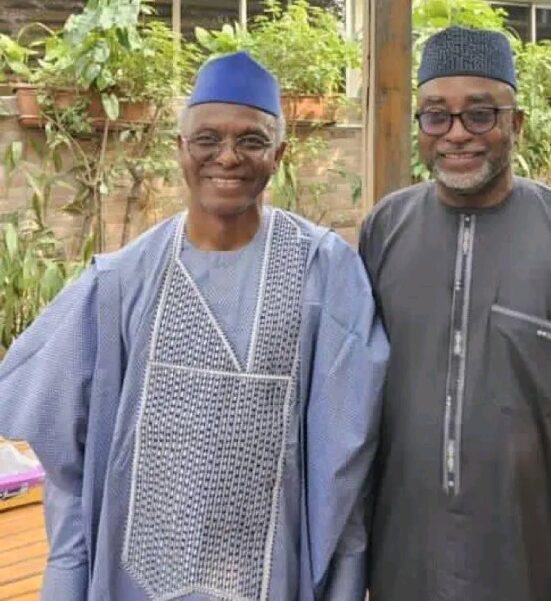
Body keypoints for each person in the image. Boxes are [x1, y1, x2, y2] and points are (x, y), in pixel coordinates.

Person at [0, 51, 388, 601]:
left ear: (278, 154)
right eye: (207, 139)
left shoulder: (323, 270)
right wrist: (68, 574)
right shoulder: (124, 279)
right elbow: (64, 445)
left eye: (251, 140)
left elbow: (346, 459)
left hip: (271, 577)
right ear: (180, 149)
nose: (227, 156)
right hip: (138, 578)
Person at [359, 26, 551, 601]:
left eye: (481, 115)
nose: (457, 133)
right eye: (436, 116)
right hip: (407, 562)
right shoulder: (384, 231)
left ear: (517, 124)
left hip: (541, 567)